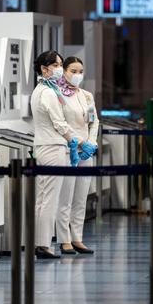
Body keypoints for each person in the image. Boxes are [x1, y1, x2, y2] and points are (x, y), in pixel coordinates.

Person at [31, 51, 82, 259]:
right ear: (45, 69)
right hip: (52, 147)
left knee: (44, 198)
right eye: (57, 65)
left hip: (48, 146)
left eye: (61, 64)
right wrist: (74, 140)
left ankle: (41, 242)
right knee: (48, 198)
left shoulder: (45, 89)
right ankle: (43, 245)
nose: (60, 69)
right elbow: (59, 122)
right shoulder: (48, 92)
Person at [56, 56, 99, 255]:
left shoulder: (86, 96)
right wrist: (77, 142)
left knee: (81, 197)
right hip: (67, 149)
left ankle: (77, 238)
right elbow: (60, 124)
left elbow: (93, 121)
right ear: (64, 70)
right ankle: (64, 240)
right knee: (65, 198)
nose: (77, 75)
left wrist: (91, 142)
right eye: (73, 71)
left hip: (85, 151)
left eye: (80, 71)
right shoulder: (56, 94)